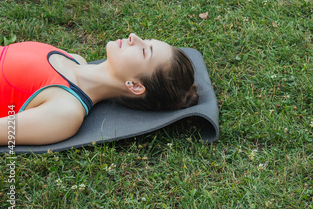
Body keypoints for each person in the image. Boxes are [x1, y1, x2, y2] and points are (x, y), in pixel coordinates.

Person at [0, 33, 198, 145]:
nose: (133, 37)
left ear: (136, 86)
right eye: (147, 39)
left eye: (145, 50)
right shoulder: (75, 59)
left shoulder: (65, 112)